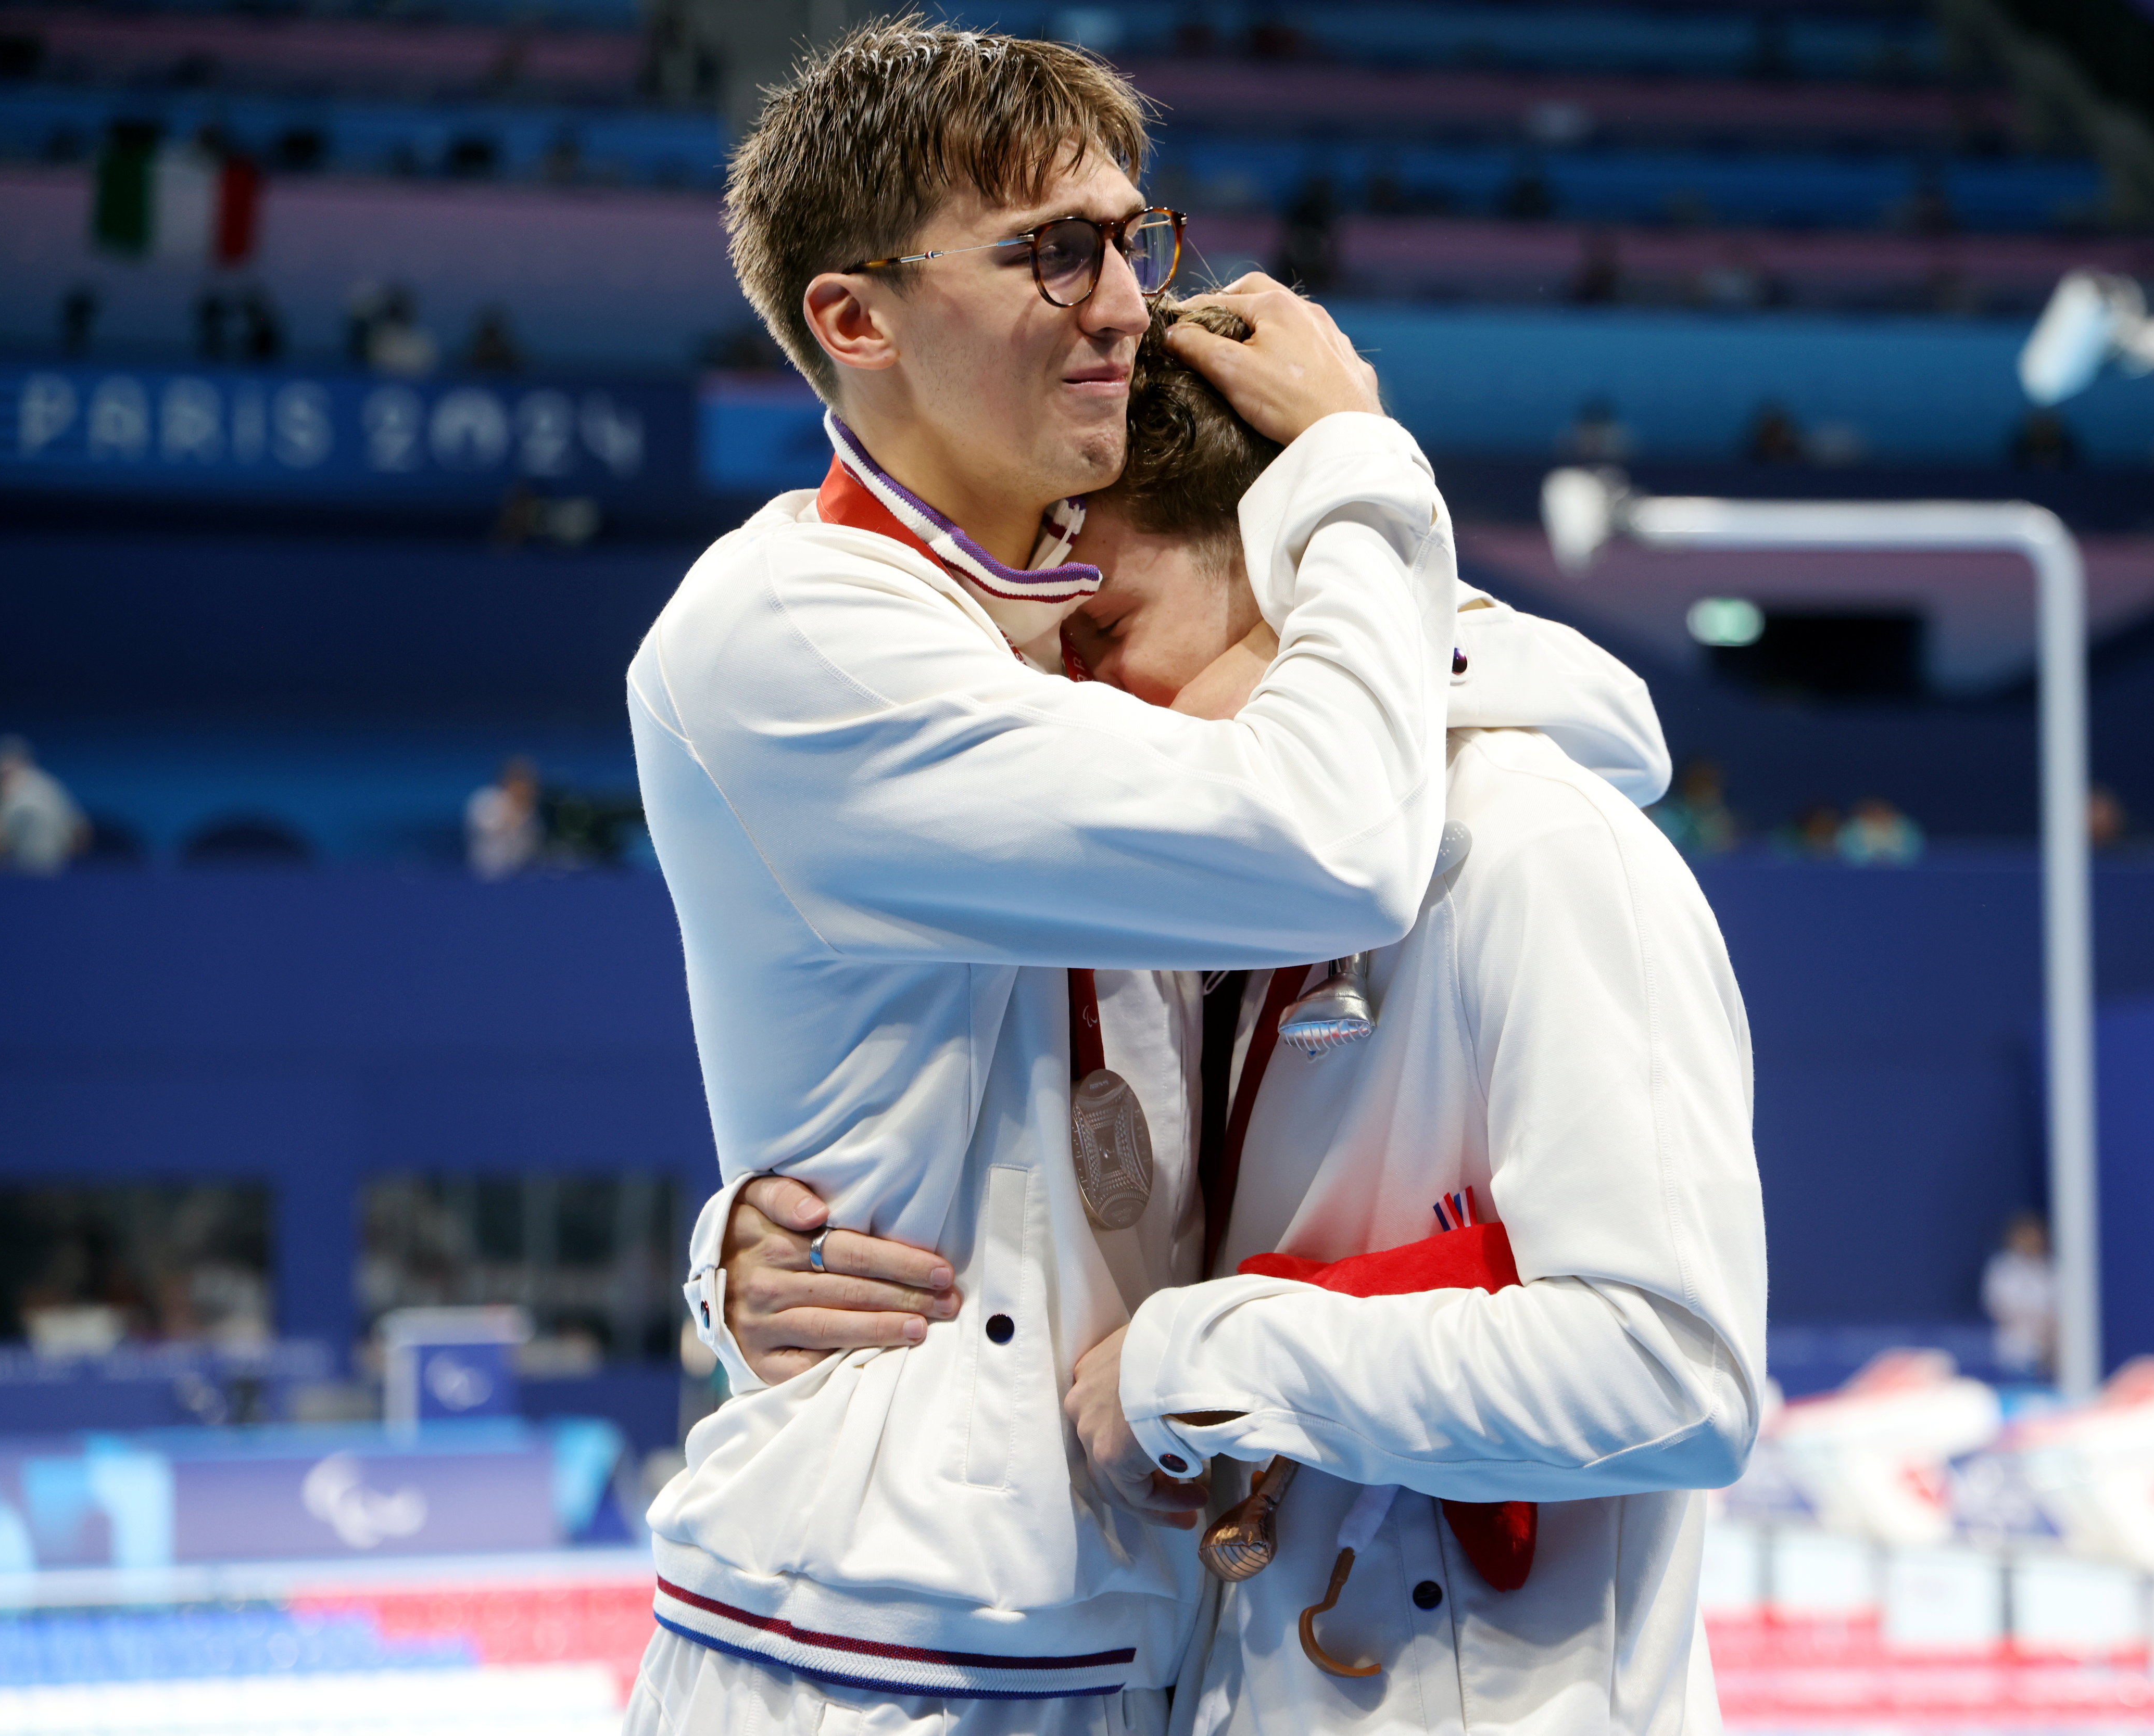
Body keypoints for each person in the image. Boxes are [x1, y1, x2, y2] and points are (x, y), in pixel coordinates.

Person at [624, 23, 1665, 1736]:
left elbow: (1591, 715)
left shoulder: (1051, 601)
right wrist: (1356, 468)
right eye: (1049, 251)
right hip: (873, 1657)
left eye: (1131, 238)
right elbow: (1339, 839)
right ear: (855, 319)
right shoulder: (796, 634)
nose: (1118, 298)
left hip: (1129, 1627)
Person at [728, 301, 1765, 1733]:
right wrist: (766, 1259)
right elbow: (1041, 1198)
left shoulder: (1543, 851)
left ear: (1289, 568)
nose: (1081, 698)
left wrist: (1200, 1360)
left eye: (1104, 629)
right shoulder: (1193, 908)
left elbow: (1676, 1371)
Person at [0, 736, 88, 875]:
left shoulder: (12, 788)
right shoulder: (51, 784)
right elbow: (81, 831)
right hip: (56, 871)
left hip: (23, 874)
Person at [1982, 1209, 2056, 1379]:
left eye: (2034, 1236)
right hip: (2013, 1352)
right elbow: (1998, 1308)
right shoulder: (2002, 1268)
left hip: (2048, 1354)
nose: (2030, 1240)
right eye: (2025, 1235)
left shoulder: (2051, 1270)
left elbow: (2058, 1311)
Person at [464, 755, 543, 880]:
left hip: (520, 875)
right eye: (521, 781)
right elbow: (486, 829)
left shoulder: (531, 811)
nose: (526, 789)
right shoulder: (486, 799)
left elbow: (531, 846)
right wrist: (513, 814)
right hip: (488, 874)